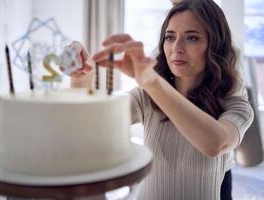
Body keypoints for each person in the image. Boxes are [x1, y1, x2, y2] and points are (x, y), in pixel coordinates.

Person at [71, 0, 253, 199]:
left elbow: (215, 143)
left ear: (215, 44)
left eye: (192, 38)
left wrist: (151, 81)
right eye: (169, 37)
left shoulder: (237, 106)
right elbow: (86, 127)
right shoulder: (145, 97)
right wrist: (82, 80)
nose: (177, 47)